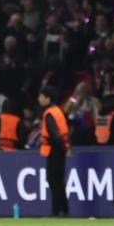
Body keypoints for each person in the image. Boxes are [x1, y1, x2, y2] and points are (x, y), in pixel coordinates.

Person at [39, 86, 71, 217]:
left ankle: (56, 211)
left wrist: (63, 148)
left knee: (53, 181)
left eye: (41, 96)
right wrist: (66, 148)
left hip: (54, 150)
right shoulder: (58, 111)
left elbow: (55, 135)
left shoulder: (49, 114)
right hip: (60, 149)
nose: (39, 99)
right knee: (59, 181)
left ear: (48, 98)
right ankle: (64, 210)